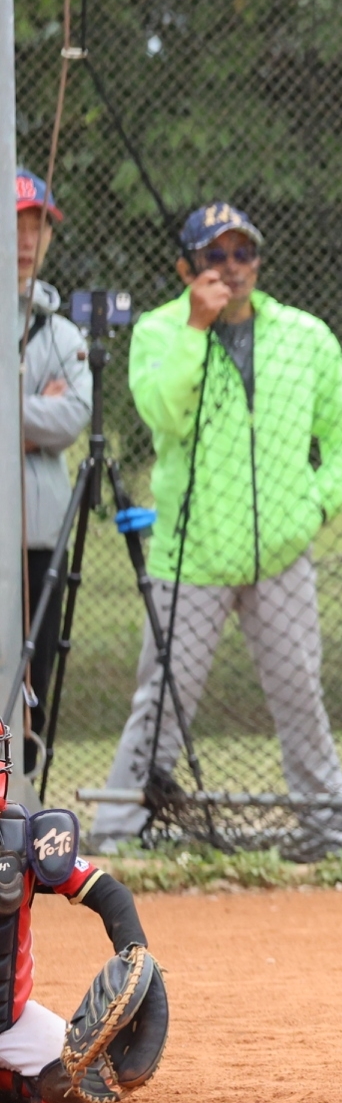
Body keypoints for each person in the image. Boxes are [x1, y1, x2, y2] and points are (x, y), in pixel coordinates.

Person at [88, 202, 342, 860]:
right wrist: (196, 326)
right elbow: (165, 414)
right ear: (186, 269)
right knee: (162, 700)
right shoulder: (160, 332)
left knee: (300, 694)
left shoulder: (304, 335)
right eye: (215, 255)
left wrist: (317, 504)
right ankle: (119, 836)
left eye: (243, 253)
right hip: (193, 555)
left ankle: (328, 833)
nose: (232, 267)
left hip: (281, 553)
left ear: (258, 262)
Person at [14, 172, 91, 794]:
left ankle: (23, 806)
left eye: (37, 225)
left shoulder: (63, 333)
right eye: (14, 223)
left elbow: (72, 418)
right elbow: (48, 418)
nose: (25, 239)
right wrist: (32, 412)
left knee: (34, 674)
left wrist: (13, 419)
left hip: (40, 535)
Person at [0, 802, 155, 1103]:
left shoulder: (25, 837)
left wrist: (133, 951)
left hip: (8, 1023)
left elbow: (109, 893)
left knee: (79, 1079)